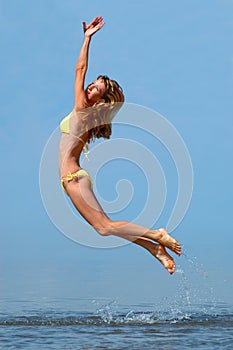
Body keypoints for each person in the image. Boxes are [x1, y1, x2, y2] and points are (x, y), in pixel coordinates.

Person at [59, 16, 181, 275]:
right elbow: (83, 74)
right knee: (105, 227)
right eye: (92, 84)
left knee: (105, 227)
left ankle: (156, 235)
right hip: (73, 180)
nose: (89, 87)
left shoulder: (82, 111)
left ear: (100, 100)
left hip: (73, 179)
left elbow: (79, 70)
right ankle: (154, 249)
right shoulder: (85, 115)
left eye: (95, 89)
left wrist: (87, 39)